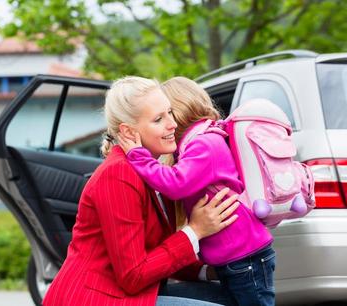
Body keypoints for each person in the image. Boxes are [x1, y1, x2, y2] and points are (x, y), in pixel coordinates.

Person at [42, 76, 240, 306]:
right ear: (128, 132)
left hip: (133, 294)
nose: (172, 124)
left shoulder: (156, 171)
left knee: (235, 297)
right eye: (158, 119)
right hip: (96, 299)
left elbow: (158, 253)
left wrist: (210, 272)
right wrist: (195, 231)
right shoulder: (118, 175)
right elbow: (133, 276)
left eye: (170, 113)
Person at [118, 76, 276, 306]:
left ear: (178, 111)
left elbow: (174, 184)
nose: (167, 123)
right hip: (239, 256)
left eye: (167, 114)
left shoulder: (204, 143)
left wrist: (138, 156)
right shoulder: (201, 140)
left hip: (245, 257)